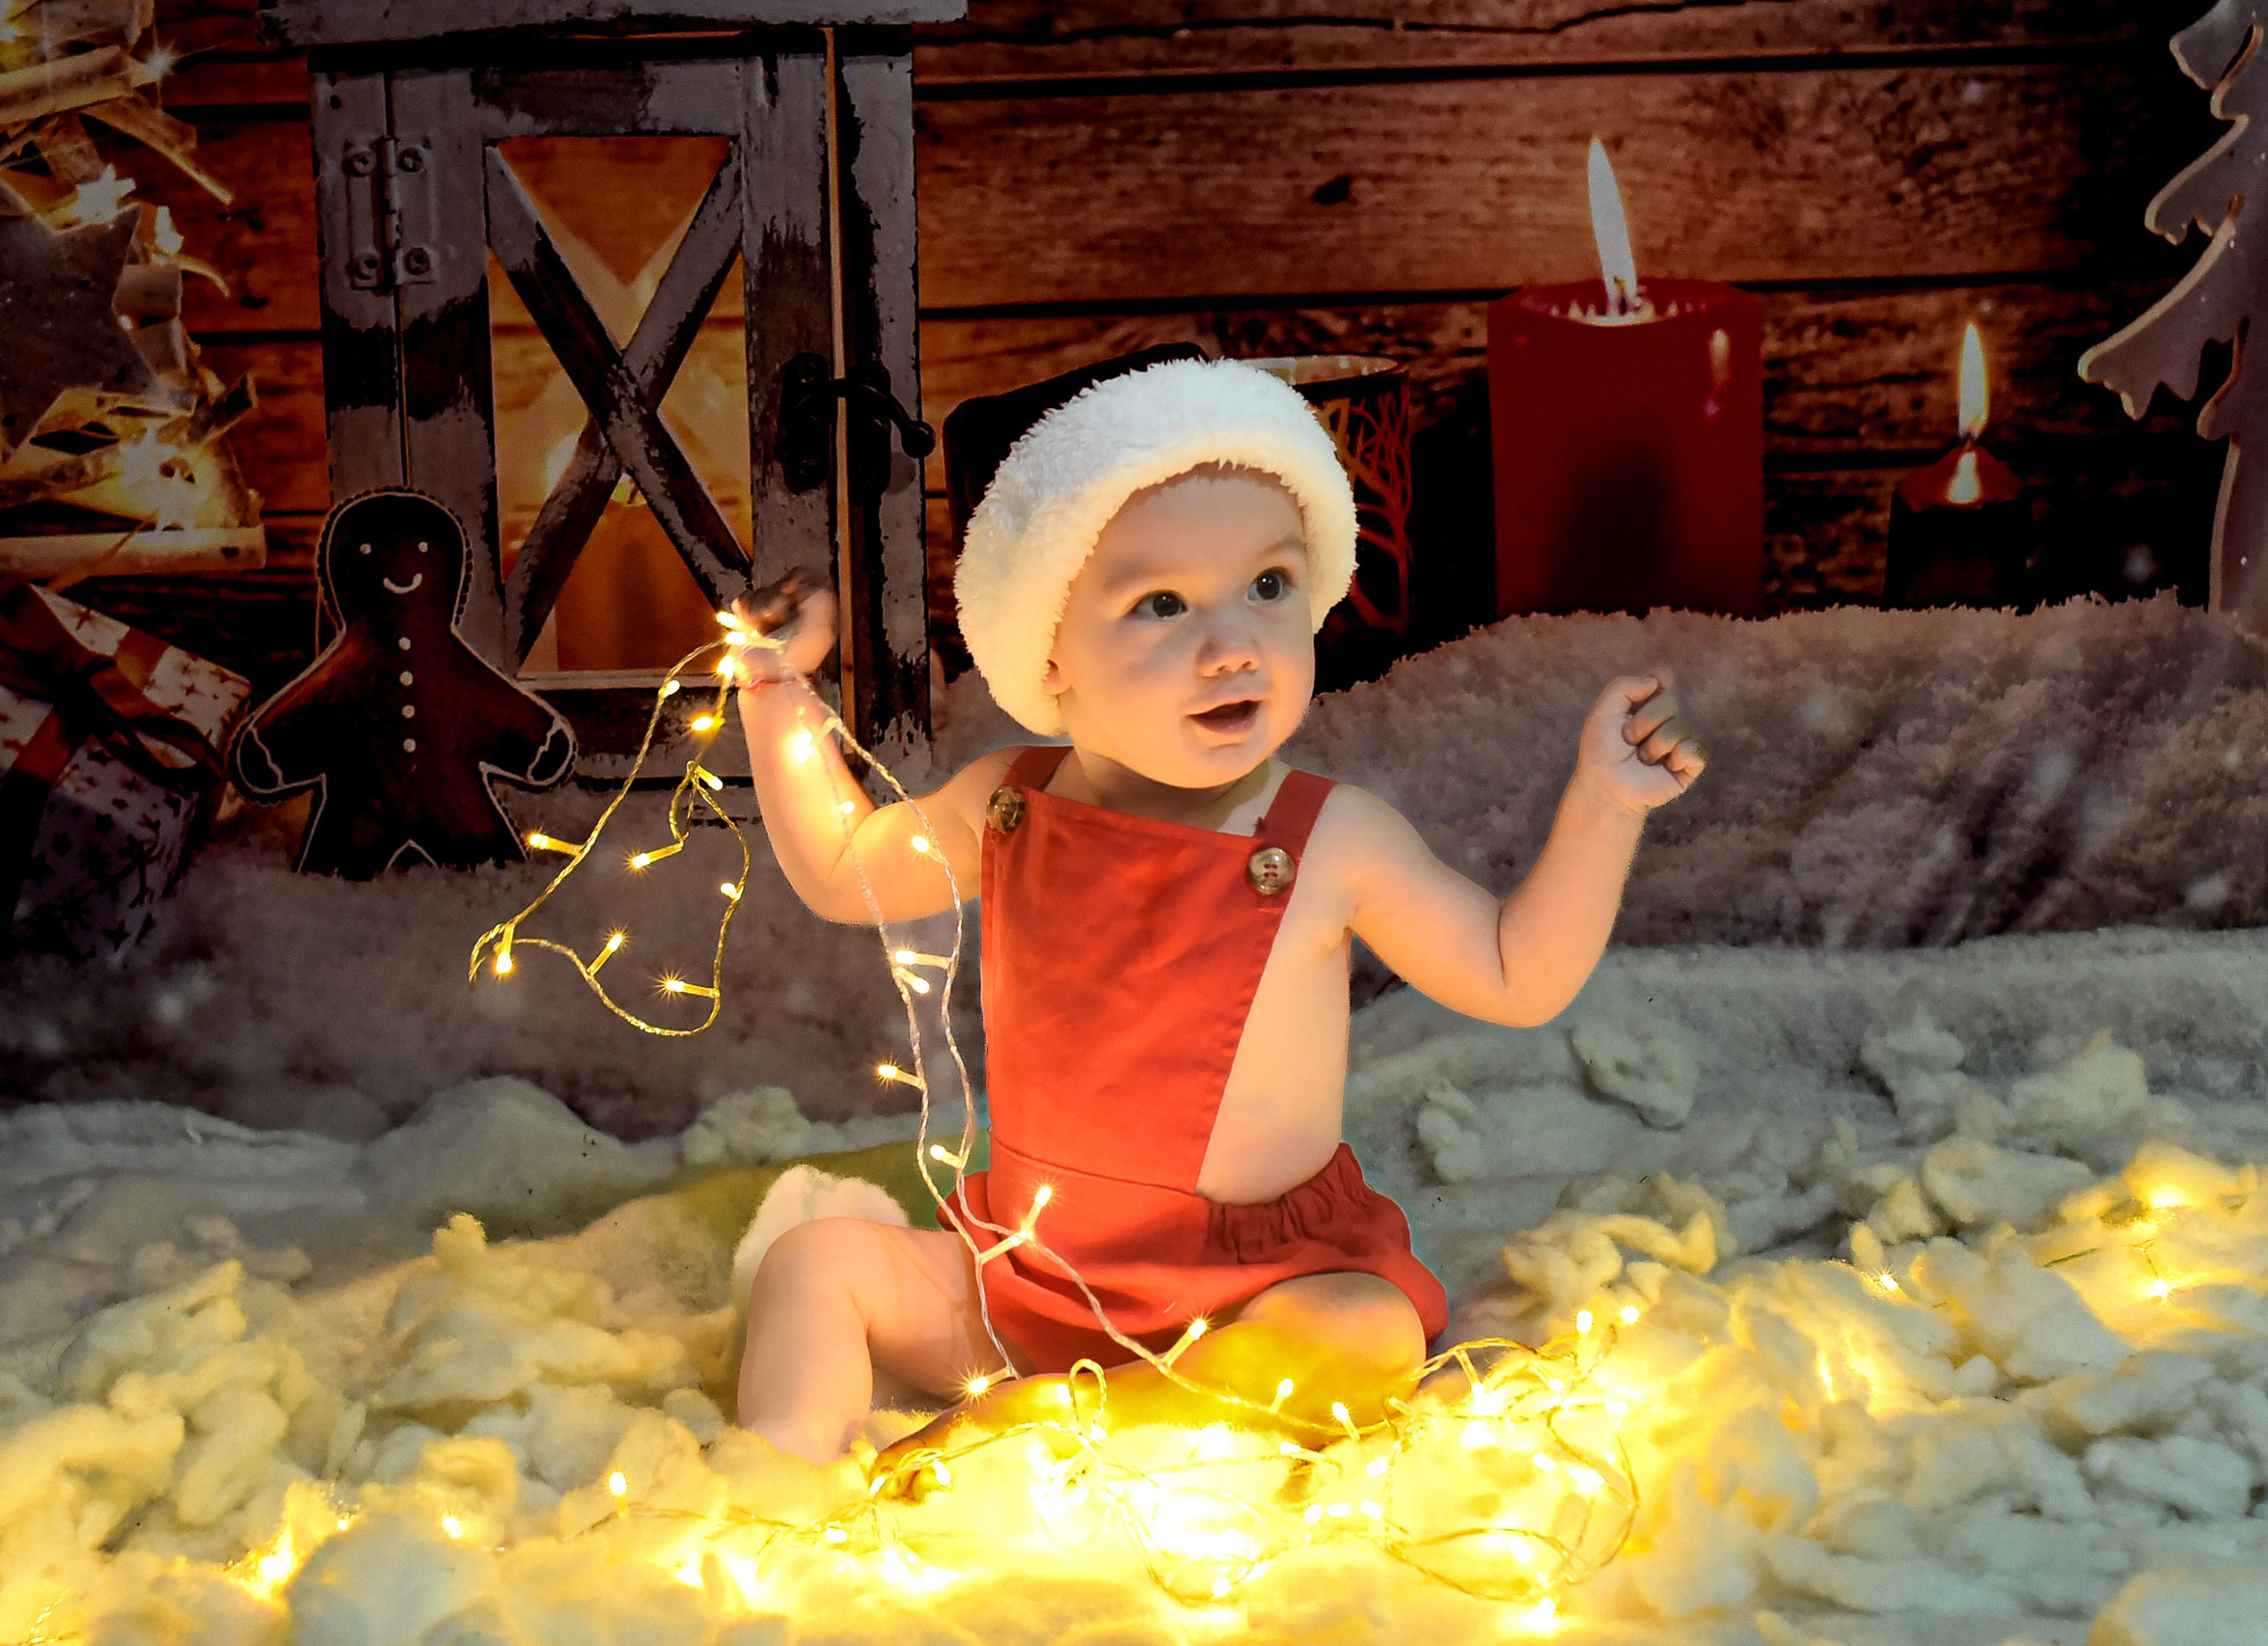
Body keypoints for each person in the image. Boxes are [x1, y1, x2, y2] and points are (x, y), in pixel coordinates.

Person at [727, 356, 1706, 1478]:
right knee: (812, 1261)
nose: (1232, 643)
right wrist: (772, 690)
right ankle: (779, 1466)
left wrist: (1603, 804)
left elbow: (1512, 971)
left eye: (1269, 587)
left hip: (1258, 1285)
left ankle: (1066, 1419)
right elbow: (847, 869)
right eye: (1161, 605)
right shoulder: (1007, 802)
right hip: (1035, 1269)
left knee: (1365, 1334)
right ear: (1047, 651)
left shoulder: (1329, 836)